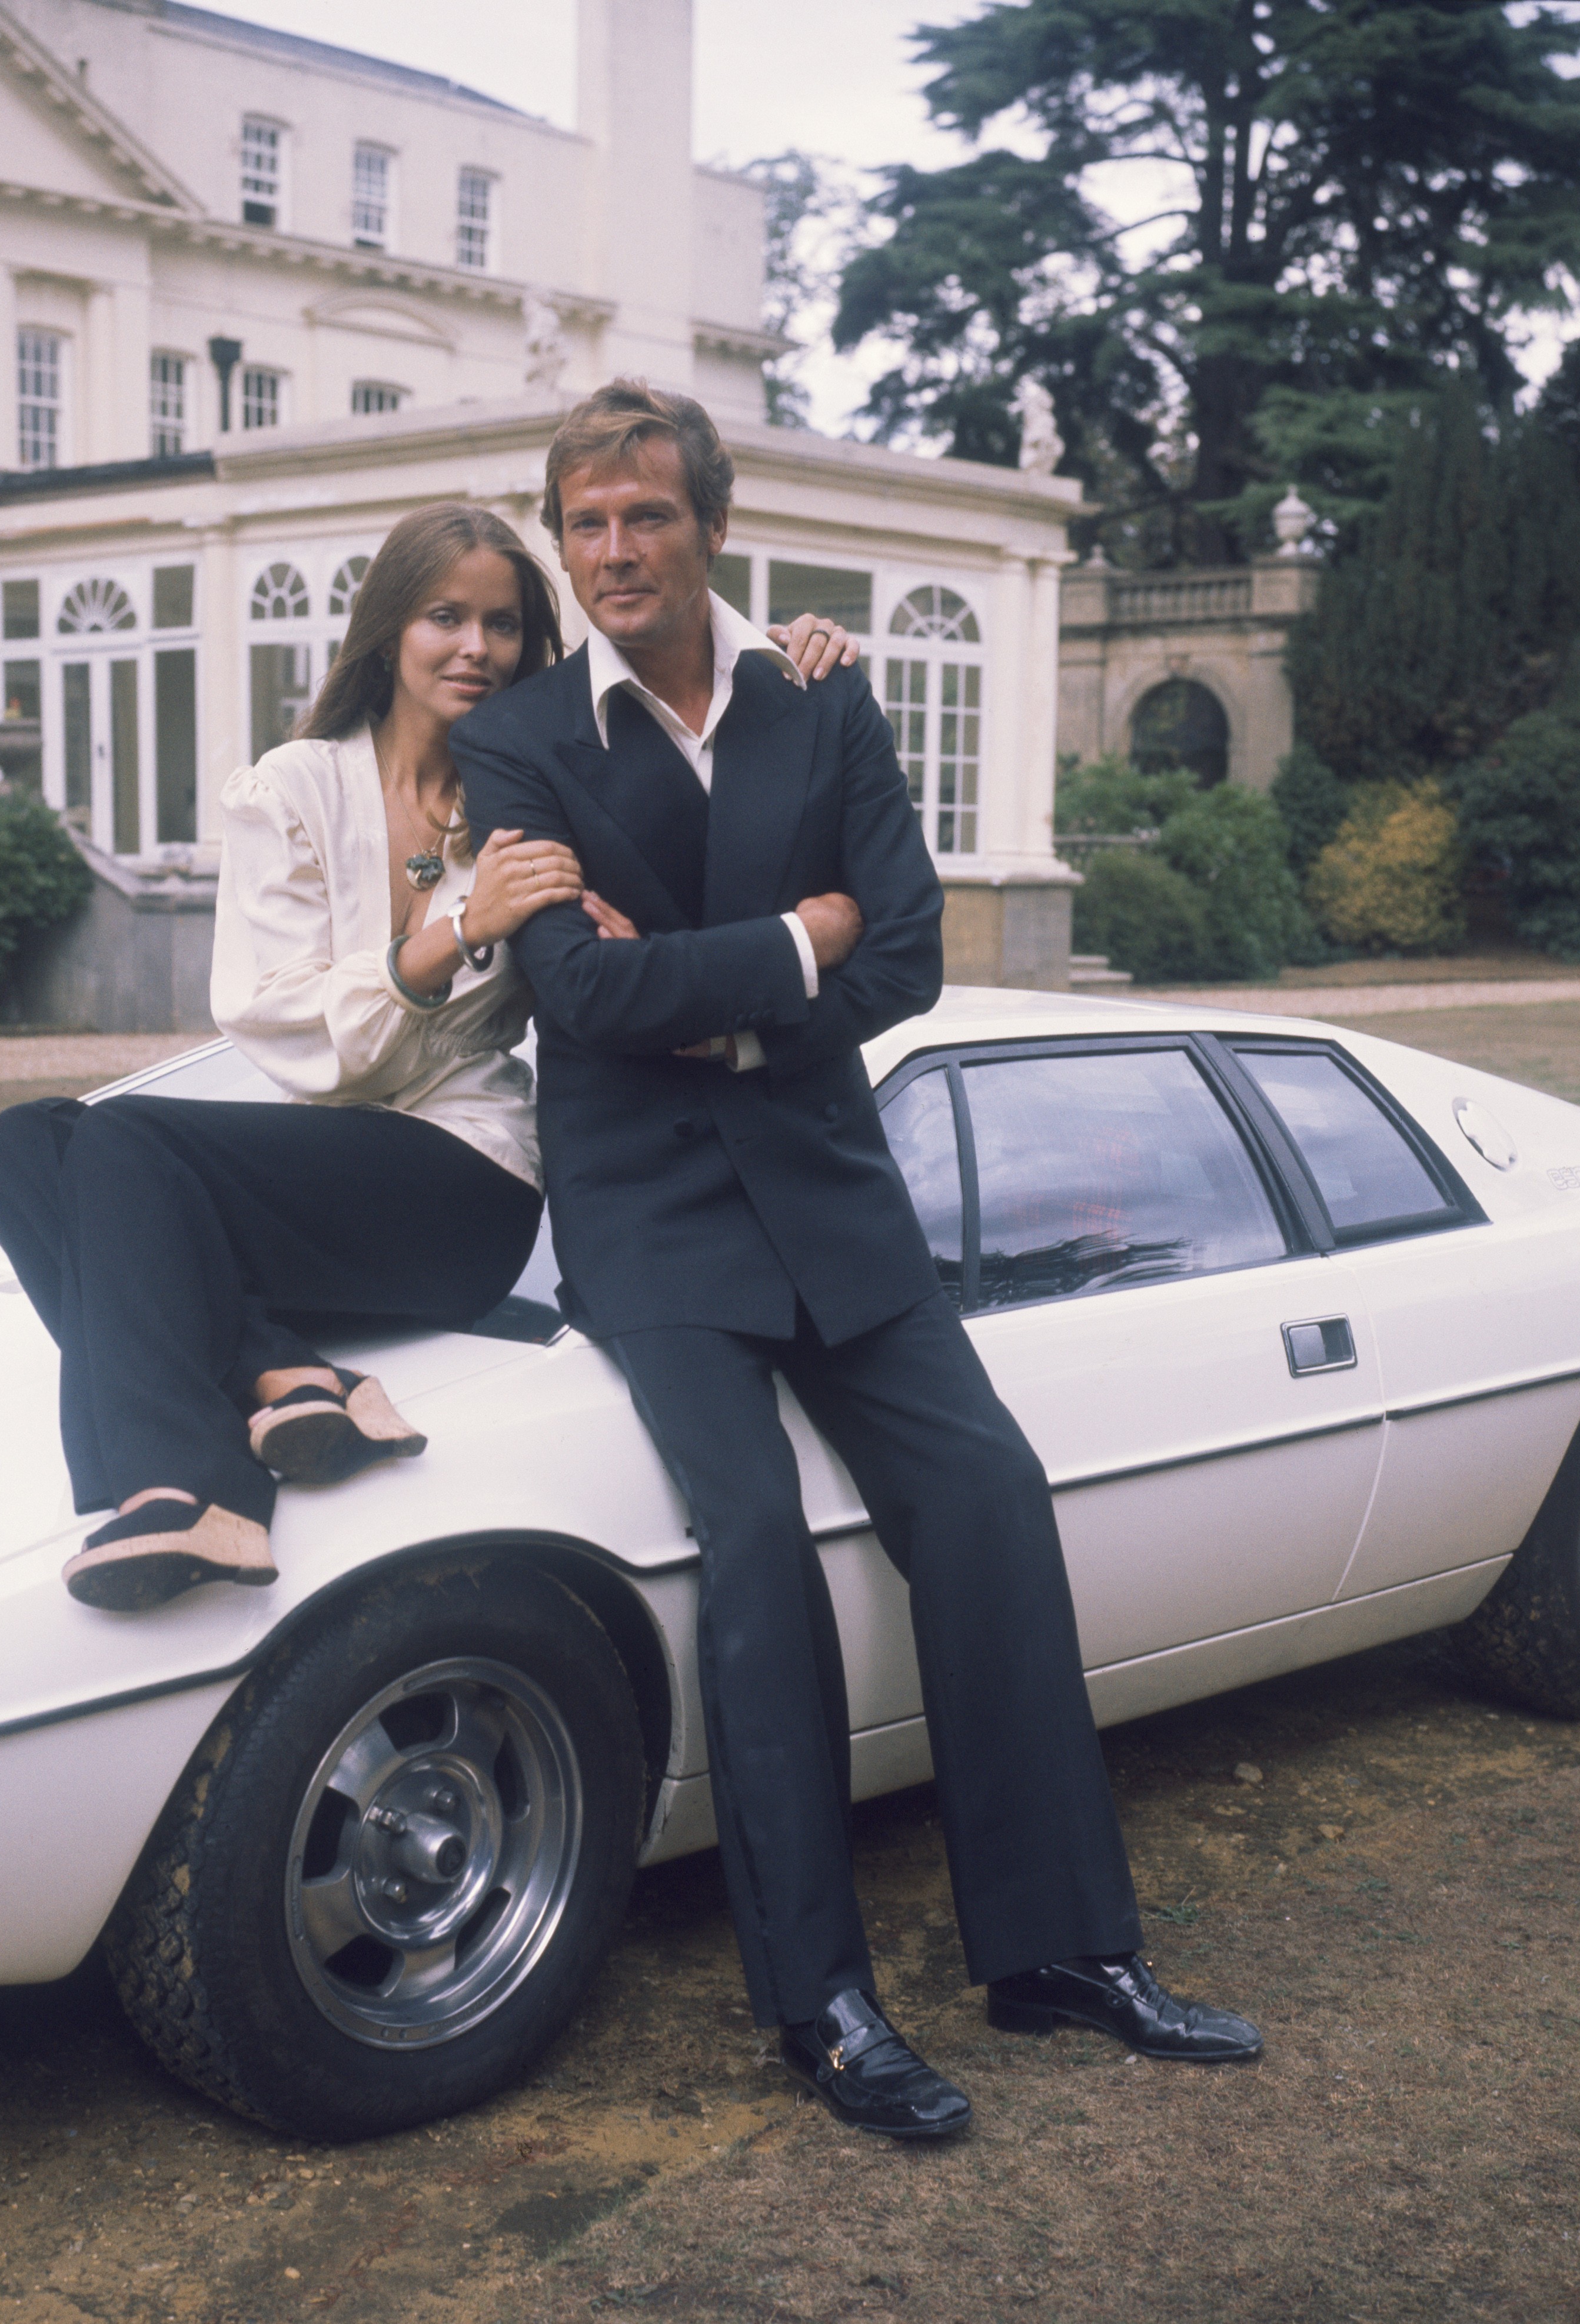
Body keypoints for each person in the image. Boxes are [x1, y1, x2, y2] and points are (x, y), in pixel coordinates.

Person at [451, 381, 1264, 2142]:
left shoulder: (819, 699)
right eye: (584, 522)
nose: (612, 552)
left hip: (828, 1189)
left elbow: (901, 955)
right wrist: (792, 934)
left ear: (712, 524)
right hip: (648, 1215)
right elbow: (577, 993)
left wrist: (743, 991)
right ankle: (820, 2003)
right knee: (753, 1542)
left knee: (988, 1497)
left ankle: (1059, 1949)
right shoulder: (519, 743)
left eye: (645, 515)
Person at [0, 501, 854, 1614]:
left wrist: (771, 656)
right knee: (23, 1144)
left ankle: (191, 1481)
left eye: (503, 624)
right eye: (446, 616)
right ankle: (286, 1374)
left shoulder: (545, 795)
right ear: (390, 629)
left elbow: (677, 722)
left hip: (467, 1182)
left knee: (115, 1138)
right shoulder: (294, 789)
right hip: (331, 1177)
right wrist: (460, 928)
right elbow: (284, 1027)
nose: (475, 648)